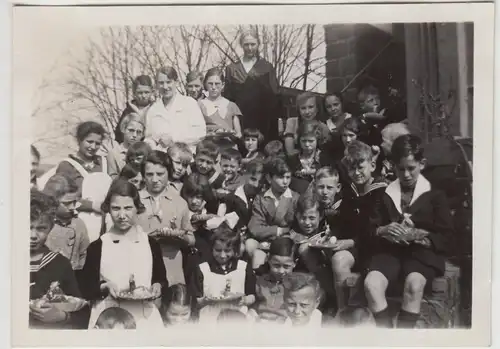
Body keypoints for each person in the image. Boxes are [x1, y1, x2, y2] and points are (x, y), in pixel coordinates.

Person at [364, 134, 453, 329]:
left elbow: (447, 235)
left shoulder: (435, 194)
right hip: (390, 251)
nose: (405, 175)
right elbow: (369, 230)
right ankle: (386, 335)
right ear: (393, 166)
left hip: (422, 254)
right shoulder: (384, 193)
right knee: (371, 284)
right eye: (400, 169)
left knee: (414, 284)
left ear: (422, 164)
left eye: (411, 169)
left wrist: (422, 236)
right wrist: (382, 230)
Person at [80, 180, 167, 329]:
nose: (121, 215)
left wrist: (158, 285)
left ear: (137, 208)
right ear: (108, 209)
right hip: (109, 318)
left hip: (144, 318)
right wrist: (103, 287)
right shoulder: (98, 246)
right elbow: (85, 288)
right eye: (115, 208)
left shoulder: (150, 243)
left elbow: (160, 278)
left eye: (127, 208)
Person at [29, 190, 90, 329]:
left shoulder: (59, 264)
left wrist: (62, 316)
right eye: (28, 227)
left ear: (51, 228)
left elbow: (83, 314)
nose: (33, 235)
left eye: (41, 228)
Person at [137, 150, 194, 286]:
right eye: (149, 174)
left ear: (169, 173)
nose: (155, 180)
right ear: (143, 176)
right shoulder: (134, 200)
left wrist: (180, 237)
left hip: (171, 264)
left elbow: (191, 239)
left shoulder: (179, 203)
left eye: (160, 174)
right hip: (141, 262)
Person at [54, 121, 112, 242]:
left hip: (105, 222)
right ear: (79, 140)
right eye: (89, 142)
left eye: (98, 143)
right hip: (78, 223)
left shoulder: (105, 163)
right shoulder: (67, 165)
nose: (93, 147)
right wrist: (91, 206)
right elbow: (60, 199)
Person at [189, 224, 256, 324]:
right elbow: (197, 300)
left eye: (227, 251)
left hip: (236, 316)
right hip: (210, 317)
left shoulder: (243, 267)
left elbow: (251, 295)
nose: (222, 255)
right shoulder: (203, 269)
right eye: (218, 250)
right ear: (211, 249)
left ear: (235, 250)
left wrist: (244, 300)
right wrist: (206, 300)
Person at [224, 29, 282, 142]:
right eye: (246, 44)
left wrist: (279, 120)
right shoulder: (232, 69)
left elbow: (275, 95)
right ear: (241, 45)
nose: (250, 48)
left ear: (258, 44)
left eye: (253, 44)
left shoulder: (266, 67)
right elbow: (228, 99)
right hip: (240, 120)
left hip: (263, 119)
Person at [247, 157, 299, 269]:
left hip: (288, 242)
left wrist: (286, 234)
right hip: (265, 241)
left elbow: (297, 227)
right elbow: (255, 227)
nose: (285, 182)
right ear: (269, 178)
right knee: (250, 245)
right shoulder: (260, 198)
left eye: (288, 177)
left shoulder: (295, 198)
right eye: (281, 177)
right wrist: (279, 230)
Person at [144, 66, 206, 152]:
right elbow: (149, 138)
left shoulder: (190, 103)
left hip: (186, 157)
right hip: (161, 159)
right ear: (157, 85)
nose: (165, 87)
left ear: (176, 82)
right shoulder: (153, 110)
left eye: (169, 82)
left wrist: (174, 139)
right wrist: (152, 148)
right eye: (161, 83)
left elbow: (200, 133)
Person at [43, 174, 90, 272]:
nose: (72, 207)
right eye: (67, 203)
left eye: (74, 202)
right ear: (52, 201)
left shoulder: (78, 224)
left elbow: (84, 255)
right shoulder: (41, 226)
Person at [249, 237, 297, 323]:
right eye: (276, 265)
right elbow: (254, 305)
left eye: (286, 266)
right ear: (268, 259)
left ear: (294, 263)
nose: (281, 271)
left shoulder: (297, 285)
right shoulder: (261, 281)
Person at [288, 122, 331, 194]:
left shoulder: (324, 159)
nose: (307, 144)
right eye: (304, 141)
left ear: (318, 140)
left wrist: (314, 172)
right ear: (299, 140)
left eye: (311, 141)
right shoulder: (292, 160)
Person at [199, 67, 243, 138]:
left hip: (229, 146)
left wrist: (233, 135)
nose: (213, 87)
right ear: (206, 85)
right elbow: (196, 131)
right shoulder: (199, 105)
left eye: (217, 84)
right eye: (210, 83)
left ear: (223, 85)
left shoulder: (232, 106)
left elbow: (238, 134)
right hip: (207, 146)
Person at [283, 92, 330, 156]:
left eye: (311, 107)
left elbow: (326, 152)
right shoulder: (292, 122)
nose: (307, 112)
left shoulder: (323, 127)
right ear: (298, 110)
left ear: (316, 109)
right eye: (303, 108)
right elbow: (290, 152)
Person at [114, 75, 155, 143]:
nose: (143, 96)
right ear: (134, 93)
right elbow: (119, 134)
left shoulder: (156, 110)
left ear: (152, 92)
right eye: (140, 93)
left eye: (146, 92)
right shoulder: (128, 111)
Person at [107, 112, 145, 179]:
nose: (134, 135)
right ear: (123, 129)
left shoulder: (145, 152)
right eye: (131, 130)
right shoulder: (114, 153)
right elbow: (112, 178)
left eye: (139, 132)